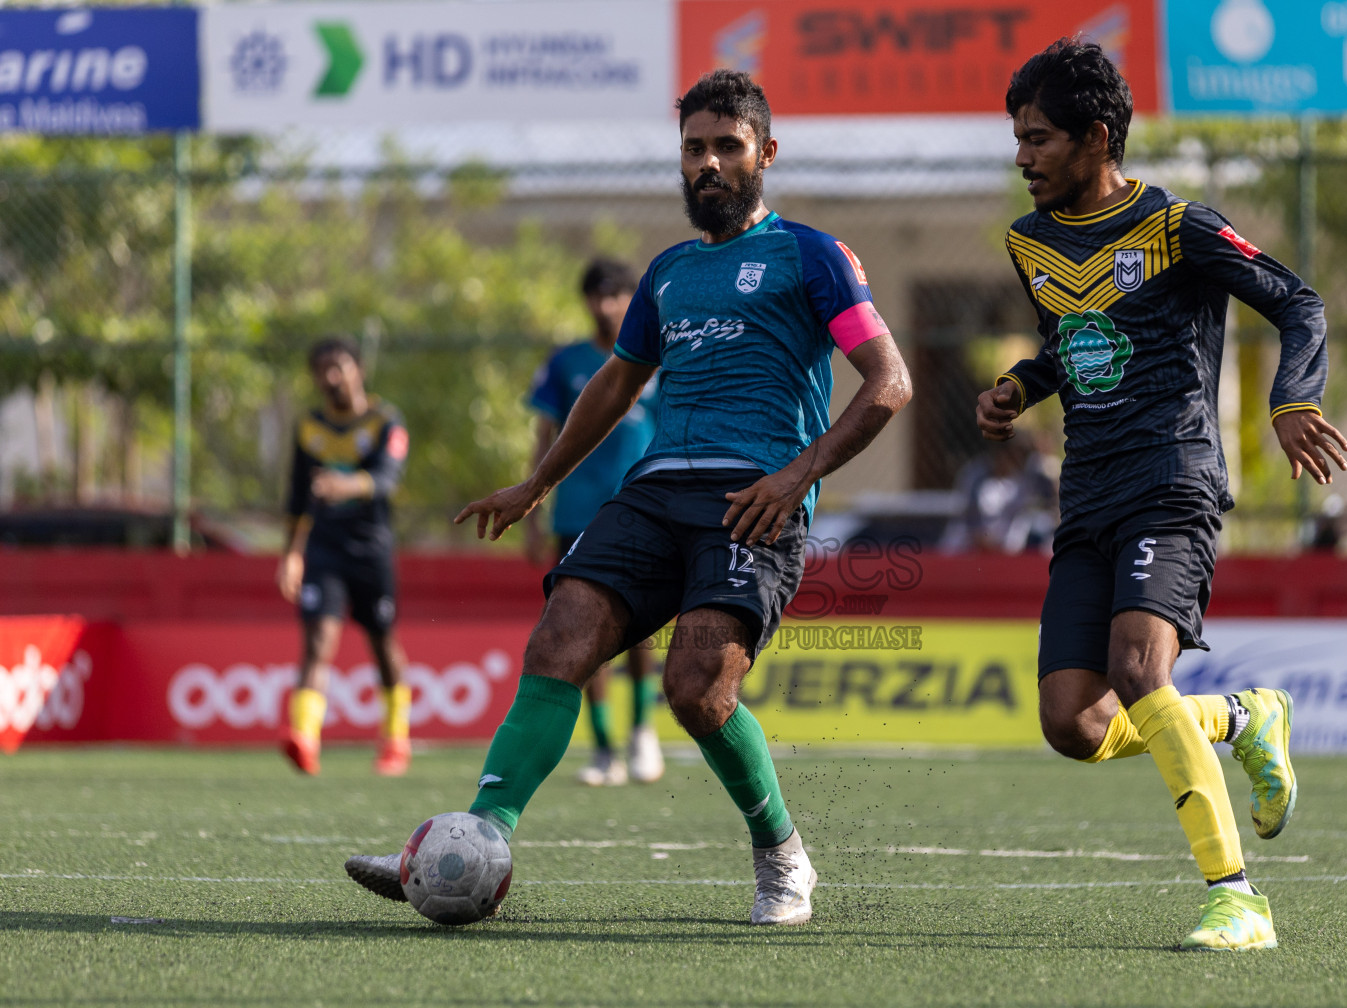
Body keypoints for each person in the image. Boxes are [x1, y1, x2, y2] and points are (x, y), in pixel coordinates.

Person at [344, 69, 911, 925]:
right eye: (694, 149)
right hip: (652, 495)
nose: (708, 164)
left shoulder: (812, 255)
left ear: (765, 154)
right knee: (557, 641)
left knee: (696, 690)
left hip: (751, 500)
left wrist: (797, 476)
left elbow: (890, 382)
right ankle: (474, 840)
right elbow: (615, 386)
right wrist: (539, 482)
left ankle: (782, 855)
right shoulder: (669, 272)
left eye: (727, 146)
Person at [975, 40, 1347, 951]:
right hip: (1088, 493)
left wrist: (1292, 396)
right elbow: (1079, 339)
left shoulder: (1179, 227)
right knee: (1074, 723)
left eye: (1041, 139)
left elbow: (1299, 302)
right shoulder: (1031, 243)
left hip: (1172, 481)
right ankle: (1243, 717)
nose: (1023, 155)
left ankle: (1239, 900)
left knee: (1142, 672)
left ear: (1097, 138)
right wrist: (1025, 384)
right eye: (1018, 137)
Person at [526, 258, 665, 786]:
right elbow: (544, 436)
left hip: (643, 507)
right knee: (583, 628)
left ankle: (642, 733)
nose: (605, 305)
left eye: (615, 295)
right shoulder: (565, 363)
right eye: (596, 295)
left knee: (641, 627)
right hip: (578, 511)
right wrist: (534, 508)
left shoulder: (659, 356)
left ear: (633, 298)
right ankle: (604, 746)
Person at [276, 336, 412, 777]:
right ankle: (305, 738)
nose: (329, 378)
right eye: (321, 370)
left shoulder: (385, 422)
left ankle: (395, 739)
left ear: (358, 369)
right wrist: (291, 555)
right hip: (324, 549)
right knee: (318, 640)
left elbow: (386, 480)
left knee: (382, 642)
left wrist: (345, 485)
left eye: (338, 367)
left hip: (371, 549)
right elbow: (297, 498)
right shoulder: (308, 428)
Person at [939, 431, 1059, 554]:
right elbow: (970, 517)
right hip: (970, 542)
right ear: (1000, 453)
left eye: (1021, 456)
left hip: (1005, 546)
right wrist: (987, 543)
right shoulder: (976, 475)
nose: (1015, 460)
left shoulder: (1025, 479)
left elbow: (1051, 500)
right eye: (1011, 455)